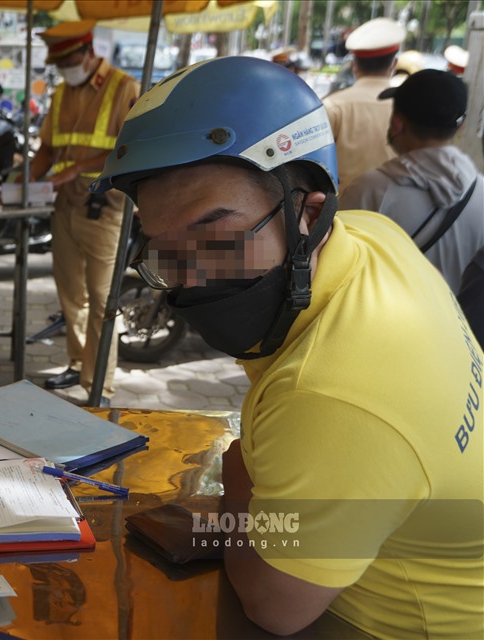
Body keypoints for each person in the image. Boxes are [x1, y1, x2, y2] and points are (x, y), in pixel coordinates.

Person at [91, 56, 483, 637]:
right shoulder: (376, 239)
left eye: (217, 239)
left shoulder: (330, 396)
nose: (190, 278)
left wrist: (242, 470)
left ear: (309, 209)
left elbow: (275, 609)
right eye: (164, 250)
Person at [27, 20, 139, 404]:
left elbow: (131, 148)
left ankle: (100, 385)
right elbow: (46, 149)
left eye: (69, 60)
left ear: (89, 52)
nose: (64, 69)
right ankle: (77, 364)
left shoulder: (124, 87)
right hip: (64, 206)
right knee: (71, 293)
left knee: (102, 297)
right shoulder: (60, 94)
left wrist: (77, 167)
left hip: (104, 206)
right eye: (59, 64)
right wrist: (19, 181)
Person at [341, 69, 483, 293]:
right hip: (461, 327)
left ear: (397, 123)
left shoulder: (368, 192)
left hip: (389, 327)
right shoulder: (481, 192)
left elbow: (337, 270)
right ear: (461, 126)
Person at [323, 17, 406, 189]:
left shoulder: (333, 106)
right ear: (394, 64)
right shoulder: (410, 106)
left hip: (343, 214)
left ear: (354, 65)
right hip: (395, 213)